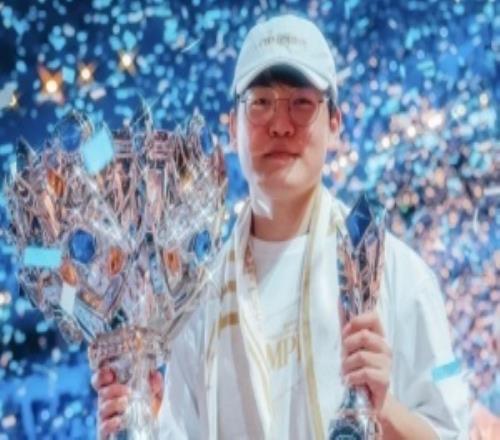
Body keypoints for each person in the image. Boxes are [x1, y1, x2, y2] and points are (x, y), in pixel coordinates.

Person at [93, 14, 469, 439]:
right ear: (232, 127)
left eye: (302, 103)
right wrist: (141, 421)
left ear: (335, 123)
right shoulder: (197, 299)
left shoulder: (399, 276)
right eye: (260, 103)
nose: (280, 124)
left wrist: (384, 409)